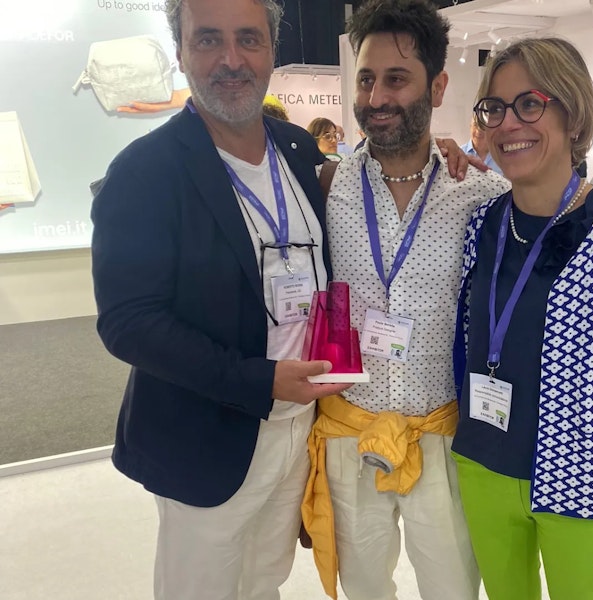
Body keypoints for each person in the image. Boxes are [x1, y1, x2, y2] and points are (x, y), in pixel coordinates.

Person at [300, 3, 593, 599]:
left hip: (464, 443)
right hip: (376, 437)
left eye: (397, 78)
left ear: (436, 87)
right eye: (366, 79)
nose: (377, 96)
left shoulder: (478, 195)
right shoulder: (329, 185)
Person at [91, 0, 354, 598]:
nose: (232, 59)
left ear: (272, 51)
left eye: (249, 39)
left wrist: (441, 153)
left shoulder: (297, 149)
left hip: (297, 427)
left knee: (264, 580)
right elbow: (128, 321)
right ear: (180, 51)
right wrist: (258, 380)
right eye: (209, 39)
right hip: (205, 432)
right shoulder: (144, 172)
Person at [451, 37, 593, 600]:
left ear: (572, 116)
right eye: (495, 108)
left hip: (582, 477)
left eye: (530, 104)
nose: (509, 123)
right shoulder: (480, 224)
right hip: (483, 460)